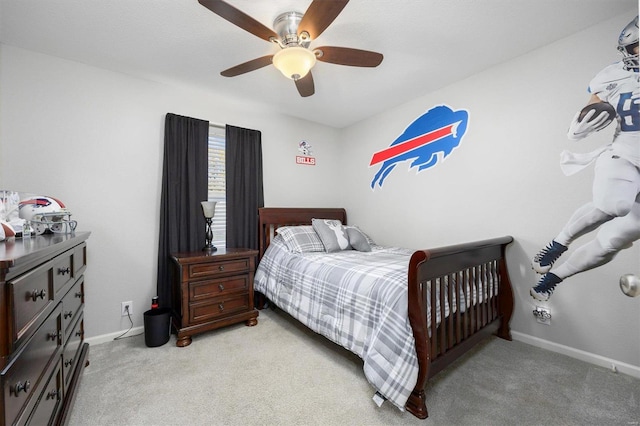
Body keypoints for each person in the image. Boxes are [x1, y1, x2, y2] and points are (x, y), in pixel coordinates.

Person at [530, 16, 640, 302]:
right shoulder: (612, 75)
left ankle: (554, 277)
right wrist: (578, 127)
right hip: (625, 152)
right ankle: (559, 242)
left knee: (612, 241)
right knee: (614, 204)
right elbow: (589, 110)